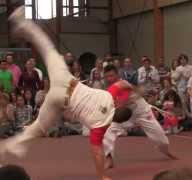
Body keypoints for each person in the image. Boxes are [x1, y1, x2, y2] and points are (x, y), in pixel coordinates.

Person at [0, 8, 132, 180]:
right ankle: (8, 148)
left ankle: (23, 23)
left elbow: (122, 84)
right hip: (60, 100)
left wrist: (132, 91)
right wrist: (102, 176)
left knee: (47, 49)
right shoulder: (100, 126)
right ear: (117, 122)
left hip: (66, 81)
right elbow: (96, 151)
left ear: (118, 104)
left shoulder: (109, 95)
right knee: (39, 127)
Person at [103, 64, 177, 169]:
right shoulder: (110, 89)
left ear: (117, 74)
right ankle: (109, 158)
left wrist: (137, 92)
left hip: (142, 112)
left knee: (162, 139)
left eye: (111, 76)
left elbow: (122, 104)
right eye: (107, 77)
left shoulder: (123, 84)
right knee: (108, 130)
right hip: (126, 115)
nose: (109, 79)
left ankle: (166, 151)